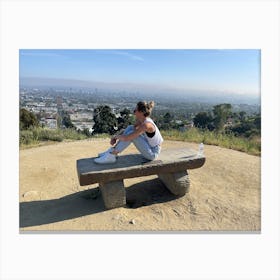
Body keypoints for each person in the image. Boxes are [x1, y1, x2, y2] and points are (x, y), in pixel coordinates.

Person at [94, 101, 163, 164]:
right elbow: (128, 130)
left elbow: (127, 138)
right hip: (149, 146)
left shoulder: (146, 125)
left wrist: (115, 137)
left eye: (135, 110)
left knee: (134, 136)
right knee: (131, 127)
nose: (134, 112)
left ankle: (112, 155)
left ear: (141, 112)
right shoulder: (142, 120)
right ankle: (111, 151)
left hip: (153, 153)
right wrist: (116, 136)